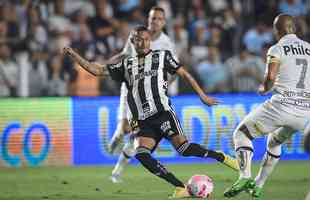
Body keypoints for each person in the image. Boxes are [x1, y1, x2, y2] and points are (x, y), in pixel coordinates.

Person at [63, 25, 239, 198]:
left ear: (150, 41)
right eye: (139, 39)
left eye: (146, 39)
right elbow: (98, 70)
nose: (143, 42)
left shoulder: (162, 57)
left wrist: (202, 96)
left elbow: (184, 73)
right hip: (142, 121)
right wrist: (74, 55)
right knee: (141, 154)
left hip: (162, 112)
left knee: (184, 149)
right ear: (132, 41)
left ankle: (221, 157)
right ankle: (180, 187)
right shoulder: (126, 65)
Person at [224, 14, 310, 199]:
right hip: (304, 112)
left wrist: (264, 88)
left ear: (276, 30)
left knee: (241, 133)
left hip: (282, 105)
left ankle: (244, 176)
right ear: (293, 28)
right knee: (274, 141)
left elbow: (271, 78)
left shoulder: (277, 49)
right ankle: (258, 184)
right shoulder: (309, 48)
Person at [108, 6, 179, 183]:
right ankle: (117, 136)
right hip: (130, 92)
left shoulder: (166, 44)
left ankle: (116, 172)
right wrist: (109, 64)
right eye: (152, 18)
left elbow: (173, 70)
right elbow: (125, 54)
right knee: (124, 129)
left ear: (163, 22)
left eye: (158, 19)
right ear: (148, 18)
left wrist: (162, 86)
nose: (154, 21)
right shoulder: (137, 35)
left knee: (135, 134)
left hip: (150, 99)